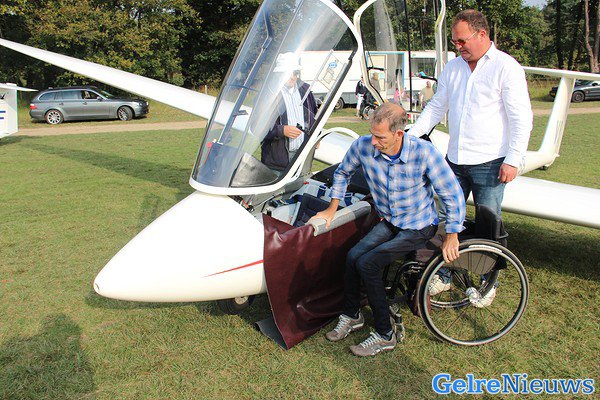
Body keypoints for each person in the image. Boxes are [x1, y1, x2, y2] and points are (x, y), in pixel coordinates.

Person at [312, 103, 466, 357]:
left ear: (399, 134)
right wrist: (332, 209)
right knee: (352, 256)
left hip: (419, 226)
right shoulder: (363, 145)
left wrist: (452, 235)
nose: (373, 142)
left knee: (368, 264)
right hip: (391, 221)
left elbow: (452, 194)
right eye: (372, 134)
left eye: (380, 137)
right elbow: (342, 173)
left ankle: (385, 334)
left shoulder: (424, 152)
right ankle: (352, 315)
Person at [407, 10, 533, 300]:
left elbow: (521, 118)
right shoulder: (453, 68)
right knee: (447, 218)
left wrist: (513, 159)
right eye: (454, 41)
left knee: (489, 223)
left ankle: (489, 281)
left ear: (482, 34)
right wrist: (411, 137)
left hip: (491, 162)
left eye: (462, 41)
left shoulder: (506, 67)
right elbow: (436, 107)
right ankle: (444, 273)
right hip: (454, 161)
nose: (458, 46)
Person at [261, 52, 318, 171]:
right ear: (279, 73)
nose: (292, 77)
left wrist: (316, 136)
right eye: (288, 73)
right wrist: (281, 130)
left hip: (302, 157)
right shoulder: (268, 93)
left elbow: (314, 116)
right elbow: (256, 127)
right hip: (277, 164)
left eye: (295, 73)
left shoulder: (305, 89)